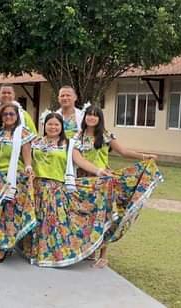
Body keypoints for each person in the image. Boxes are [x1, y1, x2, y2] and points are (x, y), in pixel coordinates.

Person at [18, 113, 114, 267]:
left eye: (56, 124)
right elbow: (24, 153)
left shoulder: (69, 144)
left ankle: (51, 255)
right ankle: (35, 252)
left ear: (61, 126)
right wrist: (28, 168)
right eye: (50, 124)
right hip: (36, 188)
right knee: (38, 222)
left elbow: (80, 161)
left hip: (56, 189)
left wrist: (98, 172)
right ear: (44, 125)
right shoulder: (36, 141)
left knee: (52, 224)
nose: (53, 127)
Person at [74, 105, 158, 268]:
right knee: (86, 215)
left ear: (100, 119)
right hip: (84, 182)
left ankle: (103, 254)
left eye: (95, 115)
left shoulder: (105, 135)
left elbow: (124, 152)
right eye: (88, 115)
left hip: (105, 181)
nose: (91, 118)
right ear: (84, 118)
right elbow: (78, 159)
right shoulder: (77, 137)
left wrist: (144, 156)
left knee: (105, 215)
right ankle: (87, 249)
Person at [0, 103, 37, 263]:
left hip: (14, 179)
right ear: (1, 117)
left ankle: (4, 248)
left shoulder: (22, 133)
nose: (8, 117)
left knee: (9, 214)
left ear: (17, 116)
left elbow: (27, 157)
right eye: (5, 114)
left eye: (11, 114)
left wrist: (28, 168)